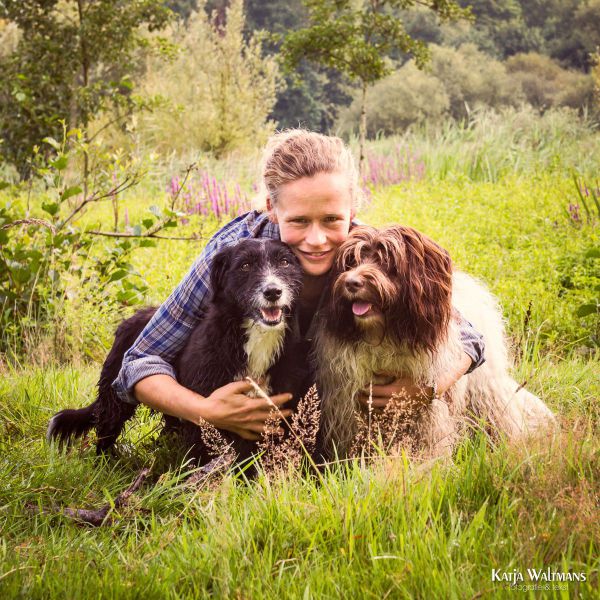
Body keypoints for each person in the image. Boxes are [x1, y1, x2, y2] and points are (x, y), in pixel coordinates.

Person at [112, 130, 484, 442]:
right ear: (271, 209)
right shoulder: (232, 252)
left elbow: (469, 338)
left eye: (332, 219)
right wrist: (204, 411)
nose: (318, 239)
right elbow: (139, 361)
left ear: (352, 209)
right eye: (299, 221)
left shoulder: (363, 251)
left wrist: (429, 388)